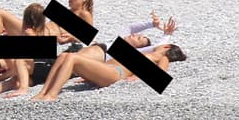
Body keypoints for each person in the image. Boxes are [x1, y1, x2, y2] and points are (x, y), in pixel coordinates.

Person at [31, 43, 187, 102]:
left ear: (166, 47)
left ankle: (52, 95)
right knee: (65, 55)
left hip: (115, 73)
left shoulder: (160, 56)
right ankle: (44, 92)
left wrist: (136, 76)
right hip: (108, 70)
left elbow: (161, 74)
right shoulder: (151, 55)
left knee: (72, 57)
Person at [0, 4, 56, 99]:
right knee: (11, 82)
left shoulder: (28, 33)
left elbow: (19, 64)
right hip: (41, 70)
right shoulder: (41, 32)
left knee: (20, 62)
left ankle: (23, 89)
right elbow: (17, 68)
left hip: (43, 66)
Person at [0, 0, 95, 46]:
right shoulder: (67, 11)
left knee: (0, 13)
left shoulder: (84, 14)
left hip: (41, 37)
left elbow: (87, 37)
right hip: (37, 31)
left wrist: (71, 37)